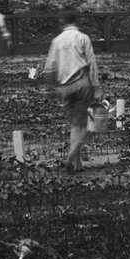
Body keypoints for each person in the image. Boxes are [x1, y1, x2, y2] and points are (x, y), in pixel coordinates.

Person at [41, 10, 101, 173]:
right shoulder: (83, 38)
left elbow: (50, 66)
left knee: (75, 124)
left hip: (65, 86)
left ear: (62, 22)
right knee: (82, 125)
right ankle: (70, 158)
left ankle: (78, 163)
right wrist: (96, 87)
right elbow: (92, 63)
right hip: (82, 82)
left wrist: (51, 86)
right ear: (77, 21)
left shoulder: (56, 41)